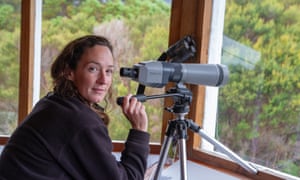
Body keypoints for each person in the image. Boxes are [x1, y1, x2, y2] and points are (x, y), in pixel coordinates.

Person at [0, 35, 150, 179]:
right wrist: (139, 131)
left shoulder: (54, 103)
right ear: (69, 72)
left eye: (109, 71)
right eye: (93, 69)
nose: (104, 80)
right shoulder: (78, 120)